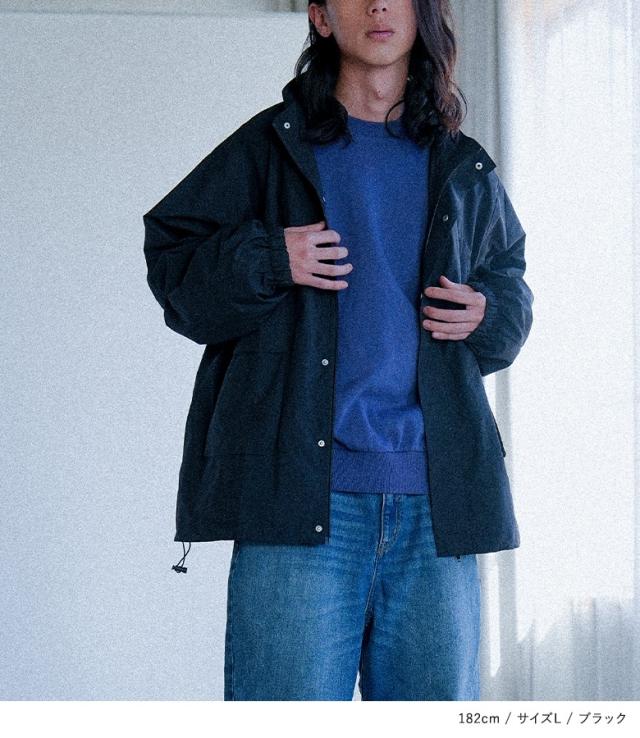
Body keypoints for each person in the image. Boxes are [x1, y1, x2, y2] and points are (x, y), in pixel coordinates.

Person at [143, 0, 533, 701]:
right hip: (298, 503)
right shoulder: (269, 149)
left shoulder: (462, 165)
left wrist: (489, 312)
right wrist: (270, 257)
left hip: (437, 509)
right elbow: (177, 273)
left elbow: (509, 291)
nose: (378, 5)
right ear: (321, 18)